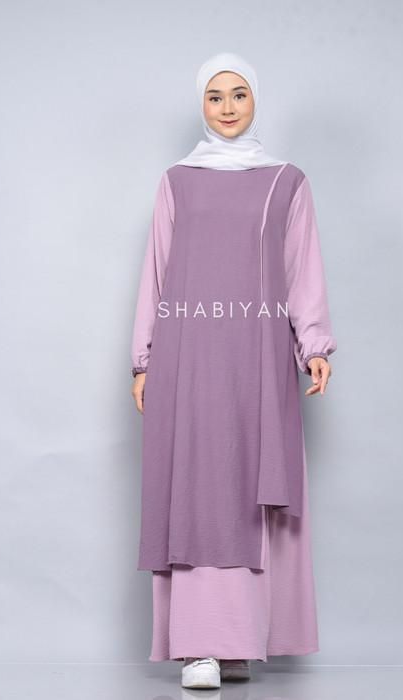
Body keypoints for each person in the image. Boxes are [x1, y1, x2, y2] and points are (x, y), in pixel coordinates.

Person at [129, 52, 337, 689]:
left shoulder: (287, 182)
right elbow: (157, 271)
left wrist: (314, 345)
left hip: (257, 357)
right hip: (187, 356)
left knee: (248, 486)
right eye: (215, 96)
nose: (227, 107)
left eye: (239, 94)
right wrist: (144, 359)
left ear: (255, 101)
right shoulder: (177, 181)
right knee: (197, 487)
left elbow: (302, 269)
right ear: (202, 104)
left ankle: (239, 640)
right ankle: (199, 647)